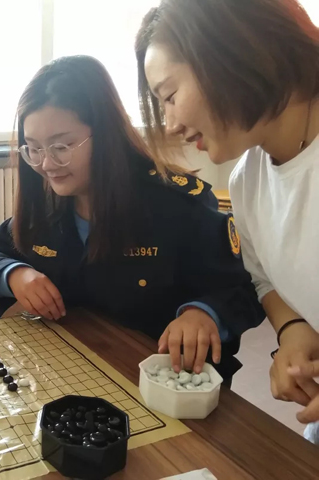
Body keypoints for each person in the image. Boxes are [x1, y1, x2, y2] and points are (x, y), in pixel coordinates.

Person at [0, 55, 264, 383]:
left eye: (62, 146)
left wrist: (203, 314)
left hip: (161, 377)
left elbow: (244, 287)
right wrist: (16, 274)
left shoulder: (176, 205)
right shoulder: (48, 204)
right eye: (34, 148)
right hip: (68, 365)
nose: (47, 164)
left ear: (106, 136)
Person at [136, 0, 319, 437]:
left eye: (170, 97)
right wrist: (293, 329)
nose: (170, 124)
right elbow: (264, 278)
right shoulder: (246, 180)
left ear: (233, 52)